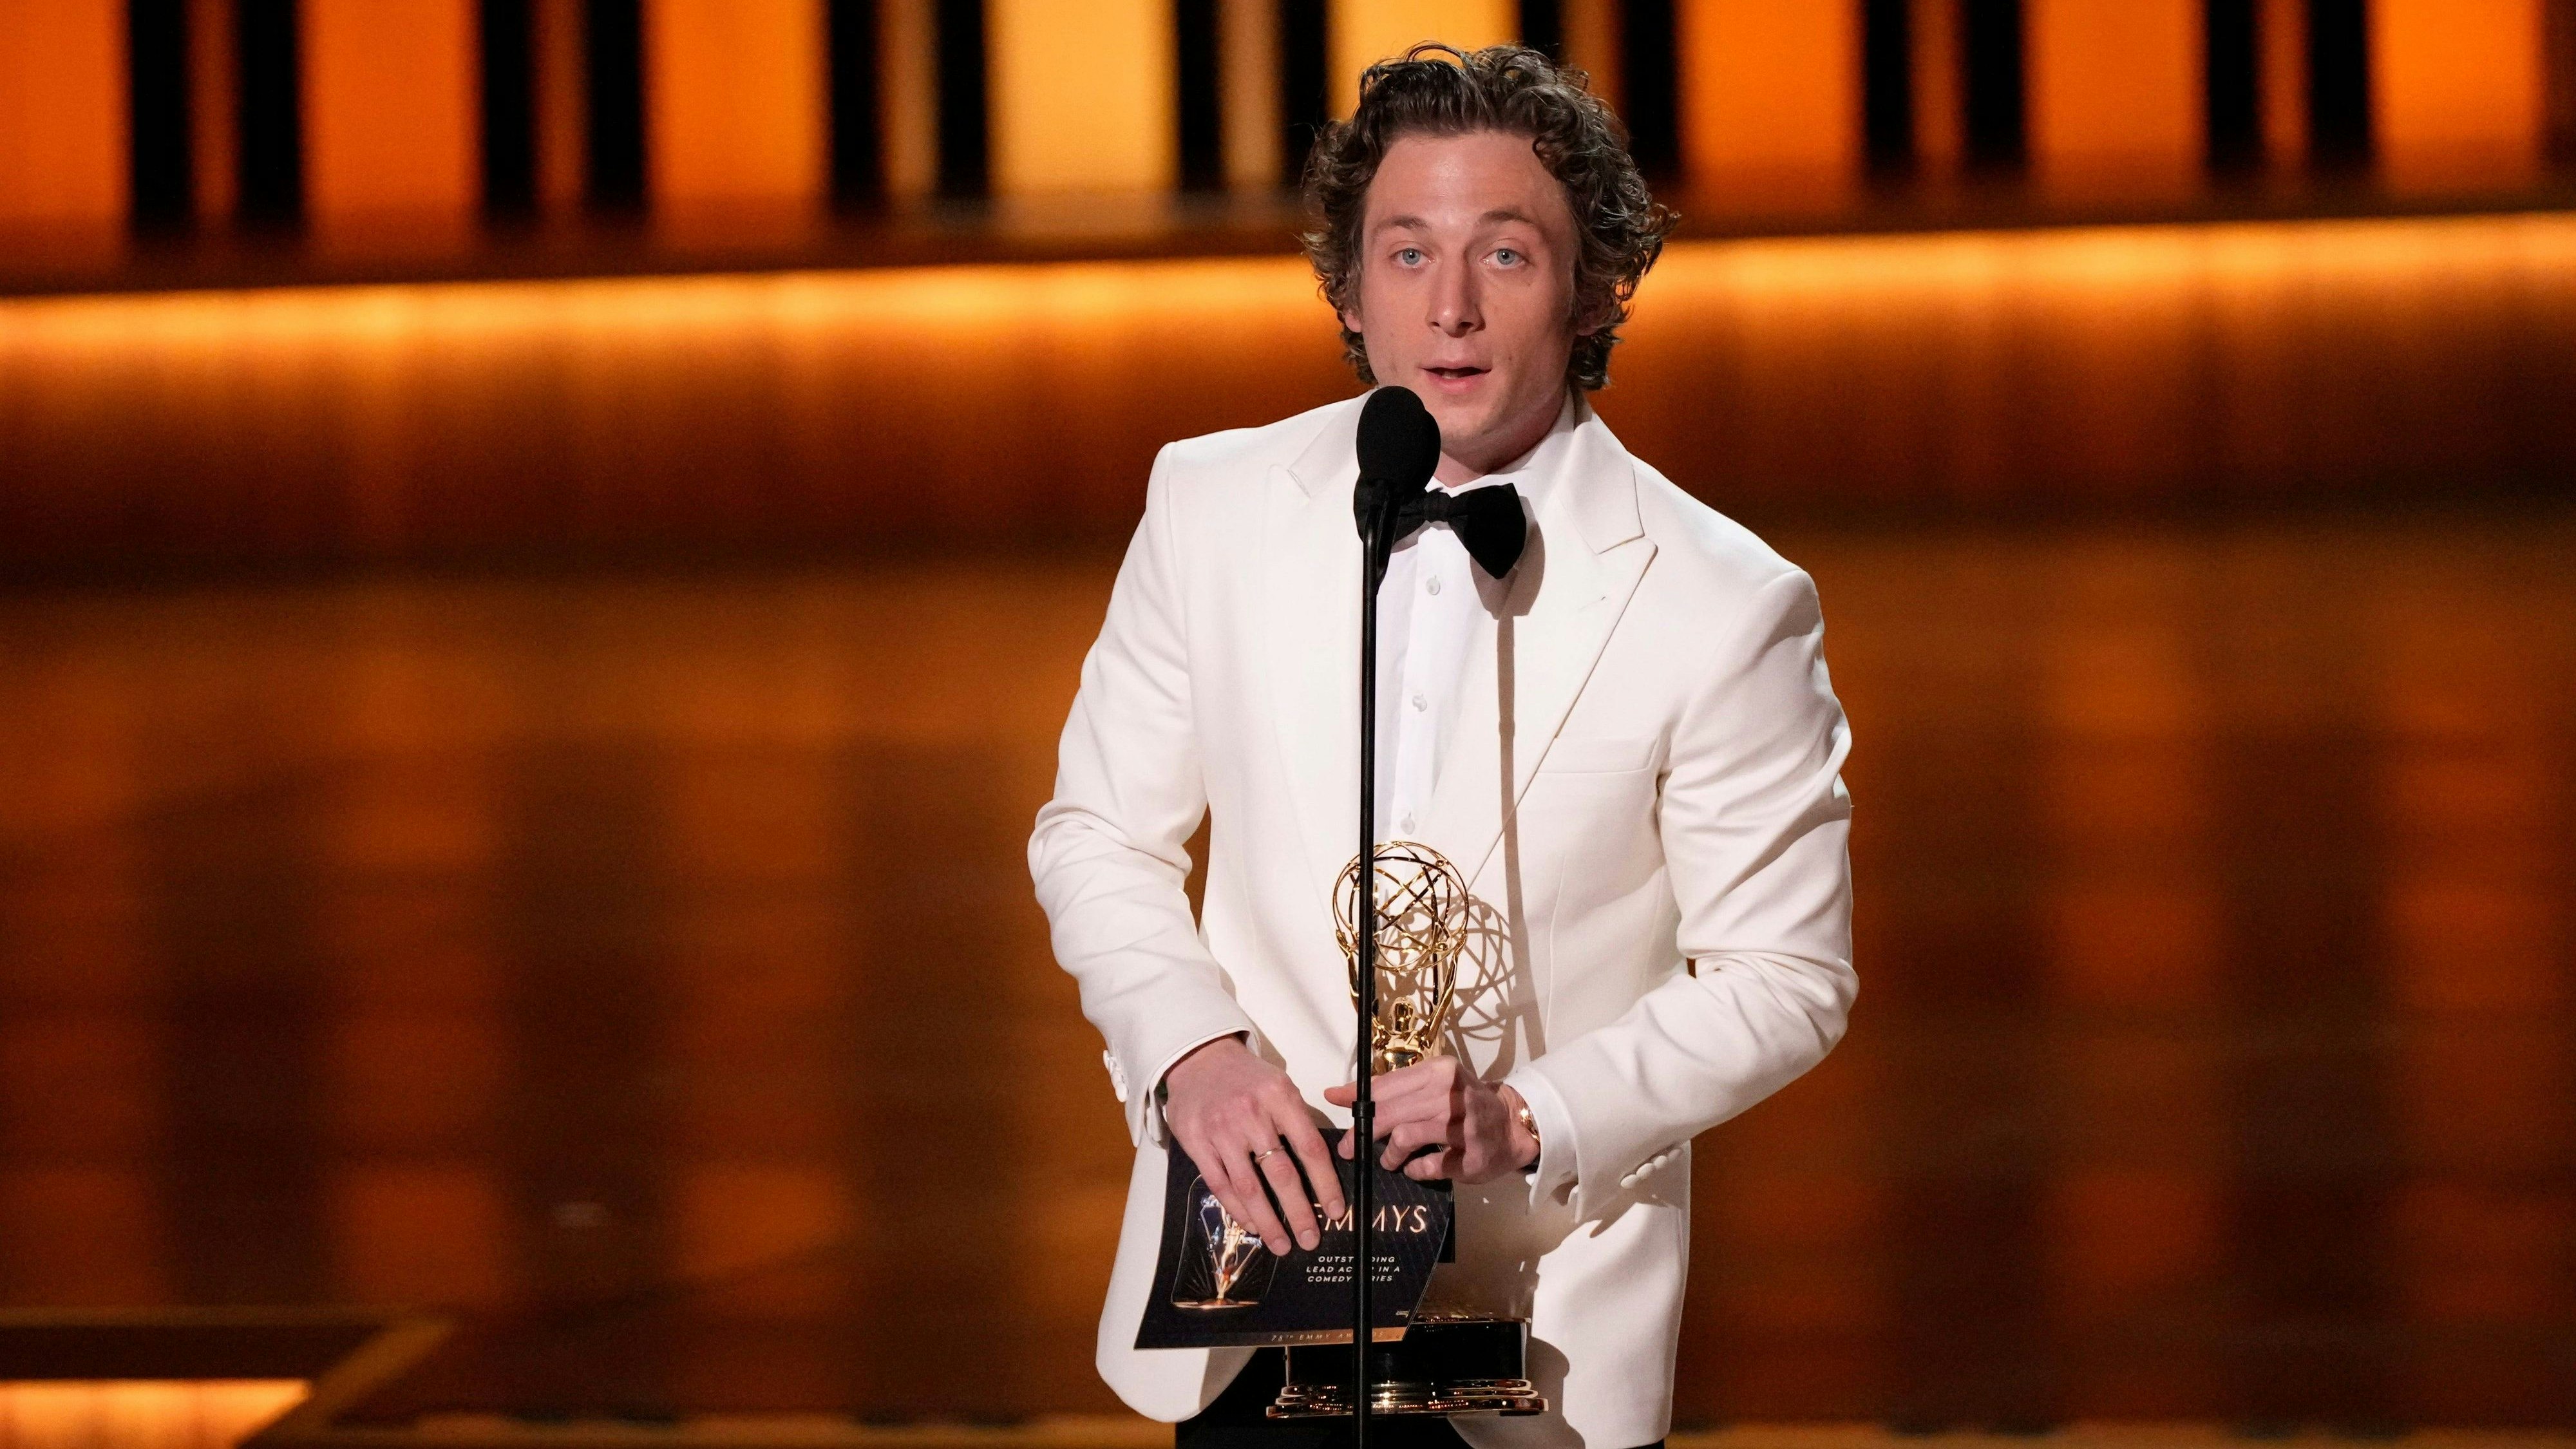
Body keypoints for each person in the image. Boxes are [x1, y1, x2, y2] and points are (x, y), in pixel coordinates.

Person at [1029, 44, 1854, 1449]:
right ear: (1347, 289)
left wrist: (1529, 1116)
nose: (1450, 308)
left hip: (1536, 1340)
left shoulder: (1725, 600)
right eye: (1404, 253)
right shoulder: (1209, 504)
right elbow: (1095, 833)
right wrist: (1192, 1054)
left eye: (1506, 254)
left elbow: (1787, 976)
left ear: (1593, 286)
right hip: (1248, 1296)